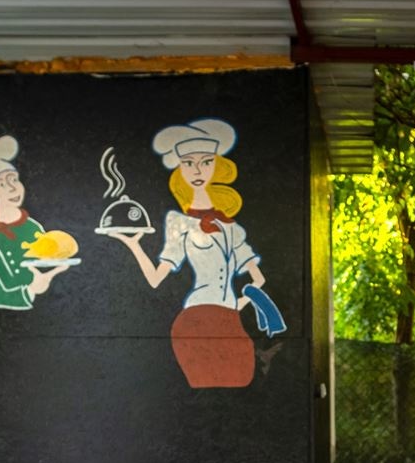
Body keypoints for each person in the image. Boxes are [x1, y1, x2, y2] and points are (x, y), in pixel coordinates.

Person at [105, 118, 282, 388]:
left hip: (228, 320)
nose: (198, 170)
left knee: (240, 378)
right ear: (180, 169)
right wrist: (133, 244)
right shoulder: (179, 222)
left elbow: (257, 280)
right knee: (203, 385)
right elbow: (155, 278)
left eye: (206, 162)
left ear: (216, 165)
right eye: (189, 163)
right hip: (195, 320)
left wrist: (239, 305)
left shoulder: (232, 227)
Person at [0, 135, 70, 310]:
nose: (12, 188)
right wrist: (32, 289)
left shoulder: (34, 229)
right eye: (2, 183)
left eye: (14, 179)